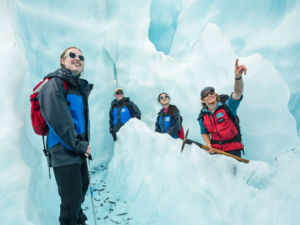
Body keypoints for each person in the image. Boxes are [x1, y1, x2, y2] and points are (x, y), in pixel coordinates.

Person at [38, 46, 93, 225]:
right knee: (70, 205)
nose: (77, 58)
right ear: (62, 60)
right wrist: (79, 145)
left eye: (81, 56)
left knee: (78, 198)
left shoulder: (75, 87)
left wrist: (82, 146)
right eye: (72, 54)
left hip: (77, 151)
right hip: (64, 153)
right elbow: (59, 121)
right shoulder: (54, 84)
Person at [198, 59, 247, 157]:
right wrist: (209, 144)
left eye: (211, 93)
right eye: (206, 95)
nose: (209, 95)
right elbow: (204, 133)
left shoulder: (227, 106)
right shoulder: (202, 115)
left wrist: (238, 77)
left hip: (233, 148)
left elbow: (238, 93)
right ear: (203, 100)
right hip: (215, 150)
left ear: (215, 95)